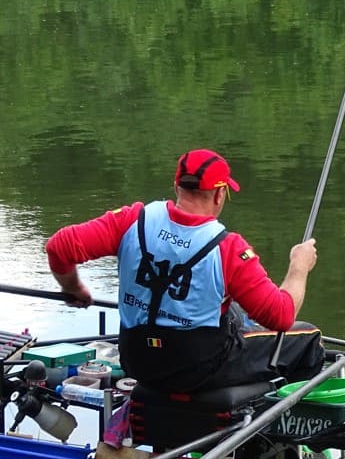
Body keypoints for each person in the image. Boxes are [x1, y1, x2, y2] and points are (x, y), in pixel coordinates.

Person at [45, 148, 323, 392]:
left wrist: (73, 288)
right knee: (306, 337)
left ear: (176, 185)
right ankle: (280, 439)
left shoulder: (133, 220)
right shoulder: (228, 249)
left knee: (234, 312)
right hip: (199, 371)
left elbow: (59, 247)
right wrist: (299, 267)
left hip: (137, 362)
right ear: (219, 193)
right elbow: (281, 316)